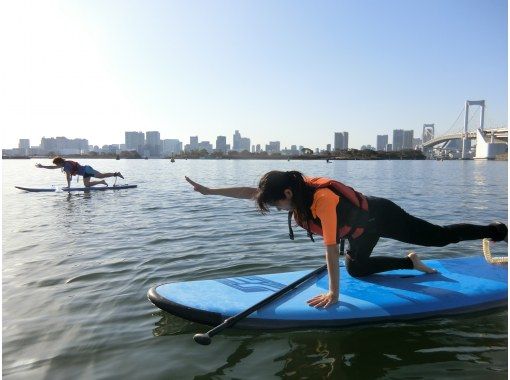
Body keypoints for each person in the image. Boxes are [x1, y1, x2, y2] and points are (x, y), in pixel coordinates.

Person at [185, 171, 508, 309]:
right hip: (359, 230)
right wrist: (209, 191)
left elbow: (329, 248)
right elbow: (248, 192)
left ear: (287, 194)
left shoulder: (322, 199)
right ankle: (408, 262)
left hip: (382, 215)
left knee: (438, 238)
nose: (278, 208)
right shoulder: (289, 191)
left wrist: (333, 292)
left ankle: (496, 230)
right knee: (359, 270)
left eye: (278, 204)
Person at [36, 157, 124, 188]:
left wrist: (68, 187)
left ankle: (105, 180)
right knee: (100, 176)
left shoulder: (66, 166)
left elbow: (67, 177)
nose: (56, 165)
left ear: (59, 162)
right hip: (87, 169)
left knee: (97, 178)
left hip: (86, 171)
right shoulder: (65, 164)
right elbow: (53, 167)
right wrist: (43, 166)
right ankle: (114, 175)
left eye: (56, 164)